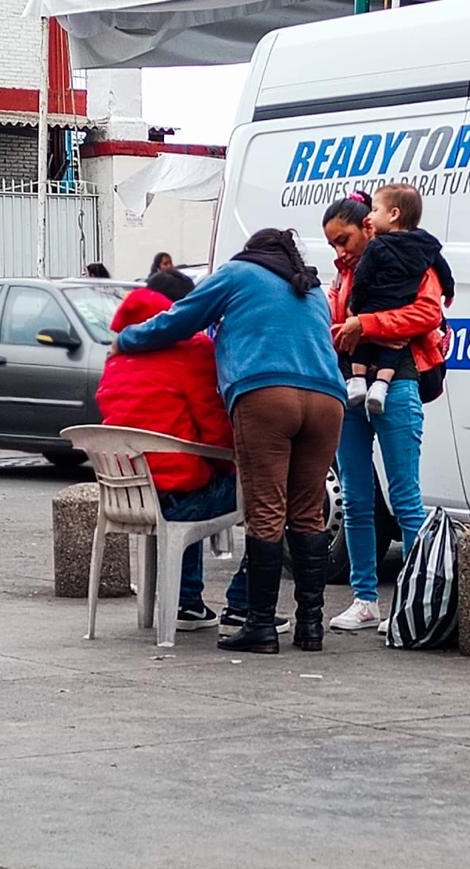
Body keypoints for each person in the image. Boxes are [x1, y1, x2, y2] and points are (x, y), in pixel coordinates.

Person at [116, 229, 345, 655]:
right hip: (328, 399)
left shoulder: (238, 273)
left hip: (266, 395)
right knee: (308, 514)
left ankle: (258, 624)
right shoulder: (312, 288)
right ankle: (310, 628)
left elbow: (180, 319)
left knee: (266, 512)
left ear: (252, 250)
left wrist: (127, 339)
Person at [96, 268, 288, 637]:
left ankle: (187, 602)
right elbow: (216, 432)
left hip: (125, 497)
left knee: (188, 478)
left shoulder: (117, 355)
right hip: (176, 500)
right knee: (270, 499)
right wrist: (237, 466)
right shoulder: (192, 350)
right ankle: (243, 605)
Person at [323, 188, 447, 633]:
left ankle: (417, 599)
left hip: (399, 383)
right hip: (350, 386)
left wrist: (364, 324)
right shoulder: (342, 275)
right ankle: (365, 599)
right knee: (356, 499)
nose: (340, 249)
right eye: (333, 243)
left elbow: (428, 313)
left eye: (344, 240)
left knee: (405, 499)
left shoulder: (407, 257)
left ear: (367, 227)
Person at [343, 184, 454, 414]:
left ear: (393, 215)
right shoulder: (427, 244)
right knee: (392, 348)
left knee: (366, 343)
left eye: (374, 211)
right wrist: (449, 291)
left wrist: (358, 314)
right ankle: (380, 387)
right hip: (399, 307)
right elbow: (443, 268)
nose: (370, 217)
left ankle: (357, 380)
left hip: (376, 311)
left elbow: (362, 280)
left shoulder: (377, 246)